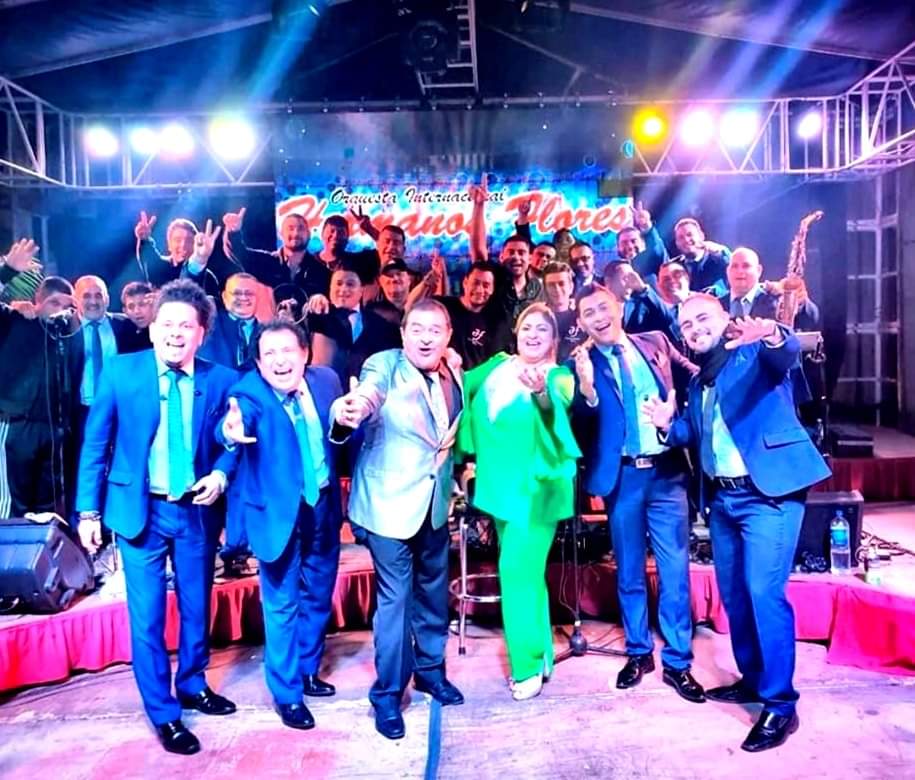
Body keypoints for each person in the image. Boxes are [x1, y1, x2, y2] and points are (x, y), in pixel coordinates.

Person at [642, 293, 831, 753]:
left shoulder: (754, 353)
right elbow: (693, 432)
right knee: (736, 596)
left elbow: (786, 352)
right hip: (724, 500)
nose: (695, 328)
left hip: (768, 496)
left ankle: (780, 705)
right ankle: (754, 679)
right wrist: (668, 424)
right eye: (686, 325)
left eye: (703, 318)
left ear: (725, 317)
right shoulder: (698, 382)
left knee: (765, 592)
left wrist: (771, 332)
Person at [76, 279, 239, 756]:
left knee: (196, 607)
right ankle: (164, 713)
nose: (175, 333)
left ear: (201, 334)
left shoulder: (221, 379)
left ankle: (192, 683)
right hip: (138, 512)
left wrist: (221, 473)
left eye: (186, 326)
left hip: (196, 511)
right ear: (152, 329)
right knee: (146, 617)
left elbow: (233, 441)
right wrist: (88, 511)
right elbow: (95, 444)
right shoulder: (121, 372)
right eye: (167, 324)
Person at [330, 298, 464, 740]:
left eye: (435, 330)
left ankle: (430, 672)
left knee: (433, 594)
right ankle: (387, 694)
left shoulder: (453, 370)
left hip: (434, 504)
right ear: (403, 333)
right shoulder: (383, 366)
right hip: (387, 506)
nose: (426, 338)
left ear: (447, 335)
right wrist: (349, 411)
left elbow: (445, 438)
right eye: (417, 329)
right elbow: (366, 395)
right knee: (396, 602)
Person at [571, 284, 703, 702]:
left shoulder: (656, 341)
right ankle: (638, 652)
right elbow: (579, 426)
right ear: (581, 322)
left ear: (619, 306)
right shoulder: (579, 363)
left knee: (674, 571)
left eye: (603, 307)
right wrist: (587, 391)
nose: (598, 317)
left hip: (667, 473)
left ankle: (678, 662)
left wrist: (678, 417)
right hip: (623, 478)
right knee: (628, 571)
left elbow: (698, 376)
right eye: (588, 313)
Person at [219, 320, 344, 730]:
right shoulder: (248, 393)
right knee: (282, 605)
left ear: (305, 354)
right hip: (276, 513)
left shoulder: (326, 382)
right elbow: (237, 420)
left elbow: (342, 434)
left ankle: (308, 670)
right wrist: (231, 430)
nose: (279, 361)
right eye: (268, 354)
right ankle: (288, 694)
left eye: (287, 350)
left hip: (322, 505)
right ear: (258, 363)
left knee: (318, 596)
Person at [458, 303, 581, 701]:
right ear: (516, 331)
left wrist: (541, 393)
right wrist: (448, 359)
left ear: (554, 339)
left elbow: (556, 405)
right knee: (528, 576)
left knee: (514, 573)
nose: (532, 334)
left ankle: (526, 666)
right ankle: (541, 652)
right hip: (498, 490)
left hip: (535, 493)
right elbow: (462, 383)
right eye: (527, 327)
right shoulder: (497, 365)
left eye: (542, 329)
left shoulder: (558, 376)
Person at [1, 250, 83, 519]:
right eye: (54, 303)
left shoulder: (69, 334)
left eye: (67, 305)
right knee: (13, 505)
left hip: (54, 430)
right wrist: (7, 271)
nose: (61, 310)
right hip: (16, 425)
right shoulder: (15, 321)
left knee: (48, 507)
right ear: (38, 301)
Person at [407, 260, 513, 370]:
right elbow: (410, 306)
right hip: (443, 376)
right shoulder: (443, 307)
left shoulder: (496, 321)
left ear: (492, 289)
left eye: (486, 285)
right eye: (475, 283)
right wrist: (427, 283)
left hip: (478, 379)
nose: (480, 290)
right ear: (465, 282)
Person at [308, 263, 401, 385]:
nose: (343, 289)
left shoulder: (379, 324)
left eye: (350, 284)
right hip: (325, 389)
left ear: (361, 290)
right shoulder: (317, 317)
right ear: (330, 287)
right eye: (338, 283)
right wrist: (312, 303)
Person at [74, 275, 147, 422]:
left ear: (107, 299)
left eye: (98, 295)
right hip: (79, 413)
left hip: (120, 412)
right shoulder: (64, 328)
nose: (93, 302)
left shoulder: (126, 325)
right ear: (76, 301)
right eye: (86, 296)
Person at [720, 247, 821, 330]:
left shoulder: (777, 299)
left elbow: (810, 320)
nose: (740, 271)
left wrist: (801, 302)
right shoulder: (717, 304)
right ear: (727, 271)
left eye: (746, 266)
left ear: (758, 270)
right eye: (734, 266)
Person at [134, 212, 221, 291]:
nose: (183, 245)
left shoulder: (207, 278)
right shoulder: (160, 268)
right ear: (169, 244)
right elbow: (149, 258)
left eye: (189, 241)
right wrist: (144, 240)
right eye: (178, 240)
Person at [199, 272, 262, 372]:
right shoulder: (207, 322)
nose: (243, 298)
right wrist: (197, 266)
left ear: (258, 297)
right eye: (237, 293)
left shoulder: (267, 333)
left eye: (249, 293)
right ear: (224, 296)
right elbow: (189, 296)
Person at [670, 218, 731, 296]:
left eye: (689, 234)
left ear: (701, 236)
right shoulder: (674, 267)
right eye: (681, 237)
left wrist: (717, 292)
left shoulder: (720, 259)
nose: (686, 240)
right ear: (677, 243)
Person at [619, 200, 670, 290]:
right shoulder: (615, 270)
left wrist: (646, 226)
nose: (630, 246)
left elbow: (656, 248)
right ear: (618, 247)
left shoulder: (652, 262)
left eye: (633, 241)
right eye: (624, 242)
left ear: (643, 243)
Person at [542, 261, 586, 361]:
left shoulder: (582, 319)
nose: (557, 289)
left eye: (561, 284)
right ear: (545, 289)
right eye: (551, 285)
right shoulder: (536, 319)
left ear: (571, 287)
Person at [120, 281, 155, 349]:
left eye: (142, 304)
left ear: (153, 304)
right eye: (131, 307)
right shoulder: (124, 333)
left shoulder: (166, 329)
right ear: (125, 311)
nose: (137, 311)